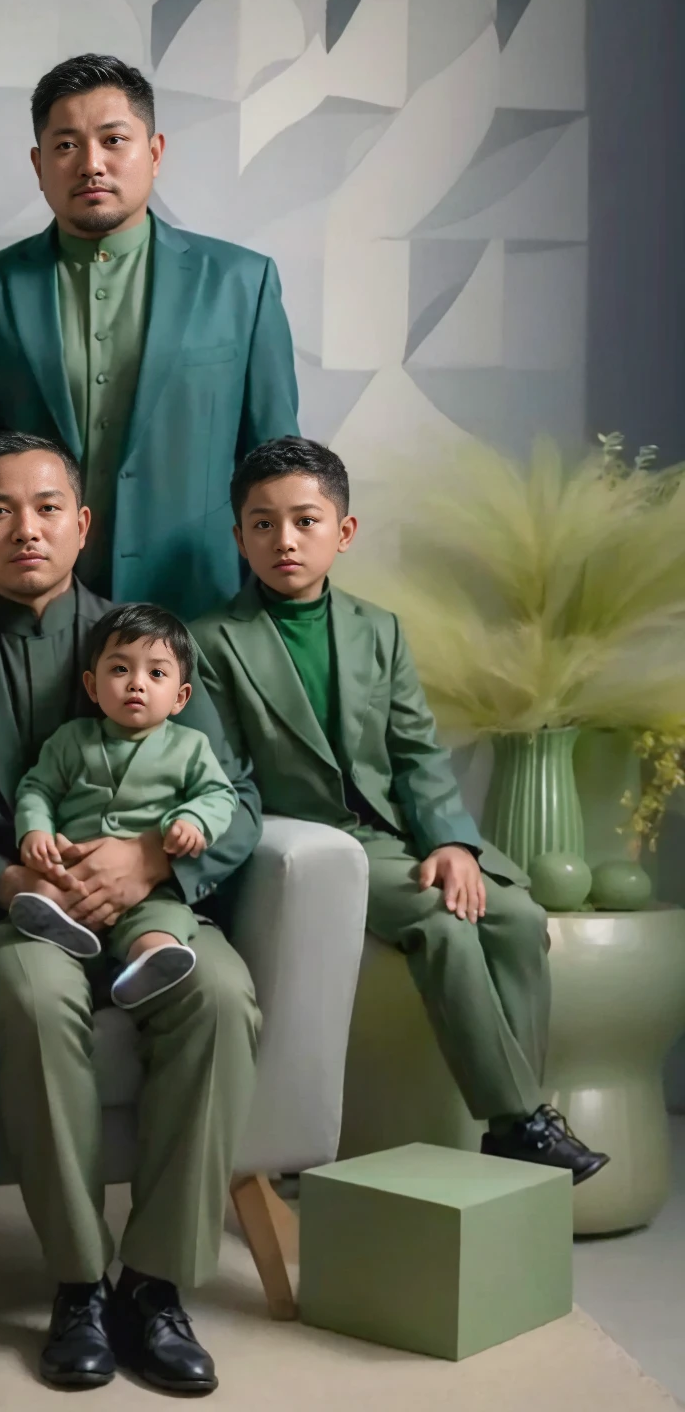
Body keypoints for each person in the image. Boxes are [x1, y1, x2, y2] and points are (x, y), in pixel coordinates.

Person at [0, 429, 262, 1396]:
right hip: (9, 915)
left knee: (222, 999)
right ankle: (76, 1283)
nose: (24, 529)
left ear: (83, 525)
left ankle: (152, 1287)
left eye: (45, 508)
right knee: (32, 1002)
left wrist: (152, 855)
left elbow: (236, 797)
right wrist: (0, 880)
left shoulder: (152, 639)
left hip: (154, 905)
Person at [193, 436, 609, 1182]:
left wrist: (451, 842)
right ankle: (519, 1119)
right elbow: (225, 779)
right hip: (312, 847)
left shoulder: (377, 629)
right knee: (441, 923)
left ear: (343, 532)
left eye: (305, 520)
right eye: (262, 523)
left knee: (516, 919)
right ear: (239, 537)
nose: (283, 540)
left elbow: (418, 756)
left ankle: (517, 1127)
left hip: (398, 832)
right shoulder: (210, 643)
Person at [0, 53, 300, 622]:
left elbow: (277, 473)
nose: (91, 164)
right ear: (38, 163)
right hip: (26, 619)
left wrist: (273, 613)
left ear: (154, 152)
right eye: (67, 145)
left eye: (114, 140)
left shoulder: (241, 285)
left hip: (201, 608)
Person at [10, 602, 238, 1010]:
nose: (137, 684)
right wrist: (35, 830)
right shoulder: (71, 739)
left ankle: (149, 964)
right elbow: (37, 788)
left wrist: (193, 819)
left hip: (148, 891)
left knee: (160, 925)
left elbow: (220, 795)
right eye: (119, 670)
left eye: (156, 674)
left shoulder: (189, 747)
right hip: (72, 872)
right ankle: (61, 928)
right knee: (47, 891)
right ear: (92, 687)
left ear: (180, 697)